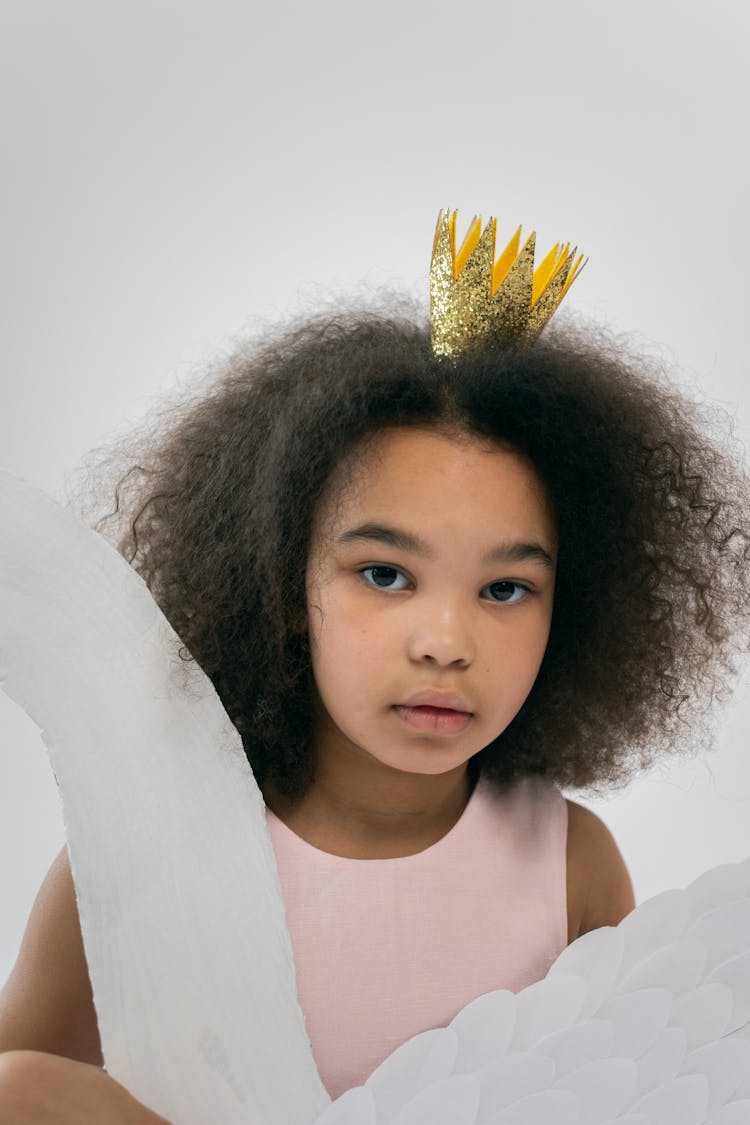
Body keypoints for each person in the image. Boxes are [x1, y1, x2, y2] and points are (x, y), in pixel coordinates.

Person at [1, 281, 749, 1117]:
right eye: (385, 574)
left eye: (505, 588)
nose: (444, 640)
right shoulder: (141, 860)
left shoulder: (572, 863)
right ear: (285, 582)